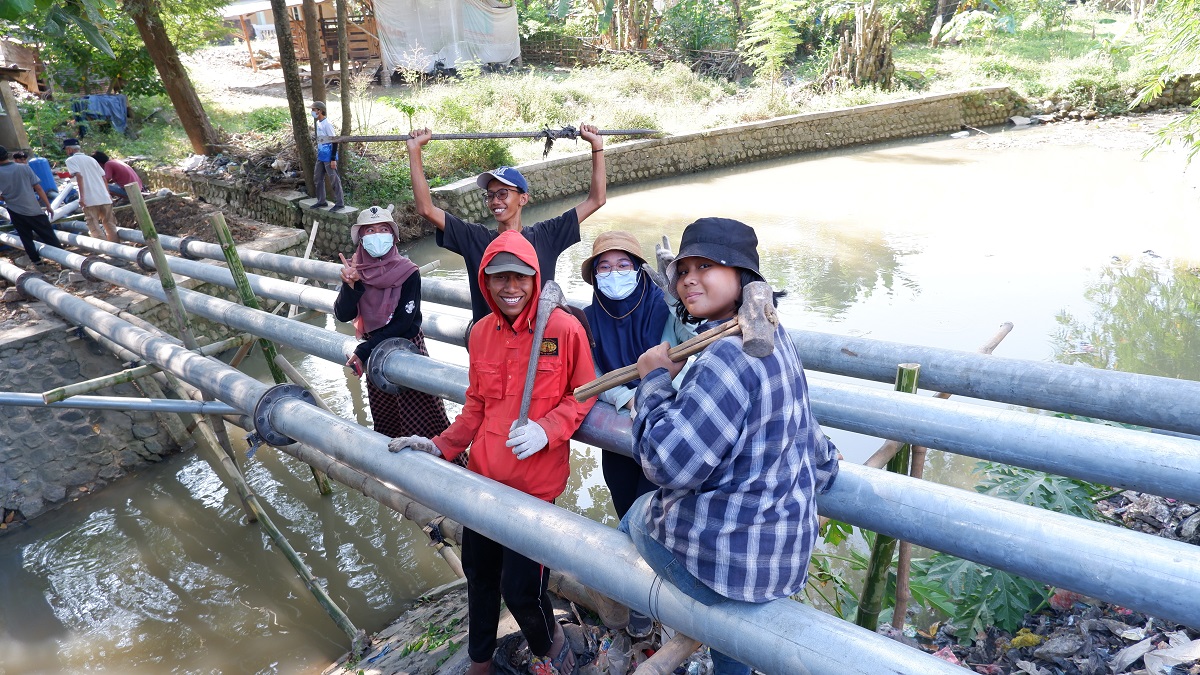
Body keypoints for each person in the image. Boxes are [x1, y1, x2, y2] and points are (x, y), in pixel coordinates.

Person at [623, 218, 840, 675]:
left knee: (636, 515)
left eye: (707, 266)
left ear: (743, 277)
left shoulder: (726, 354)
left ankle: (626, 611)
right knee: (732, 634)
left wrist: (654, 381)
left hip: (733, 567)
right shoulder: (776, 335)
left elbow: (666, 464)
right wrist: (825, 465)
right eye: (683, 271)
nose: (689, 280)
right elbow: (799, 419)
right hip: (782, 558)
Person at [388, 231, 596, 675]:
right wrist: (440, 445)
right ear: (485, 282)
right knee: (480, 579)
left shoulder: (561, 329)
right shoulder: (480, 333)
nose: (511, 288)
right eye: (499, 278)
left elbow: (584, 394)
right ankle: (480, 663)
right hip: (482, 485)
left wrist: (548, 429)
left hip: (533, 492)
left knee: (523, 590)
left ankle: (552, 653)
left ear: (535, 278)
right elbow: (476, 407)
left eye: (520, 277)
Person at [407, 124, 606, 323]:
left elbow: (596, 200)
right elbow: (426, 209)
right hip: (490, 345)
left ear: (523, 198)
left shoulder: (546, 236)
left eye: (503, 193)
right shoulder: (476, 239)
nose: (495, 201)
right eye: (490, 195)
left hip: (536, 345)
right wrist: (414, 150)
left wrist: (596, 146)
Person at [333, 205, 450, 440]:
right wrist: (350, 287)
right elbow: (343, 314)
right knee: (387, 420)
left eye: (383, 229)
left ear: (394, 237)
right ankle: (393, 469)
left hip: (406, 347)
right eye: (370, 231)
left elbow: (404, 322)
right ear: (361, 239)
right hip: (375, 352)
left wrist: (365, 349)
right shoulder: (357, 272)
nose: (377, 235)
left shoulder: (407, 272)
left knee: (424, 418)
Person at [0, 145, 64, 265]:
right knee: (49, 235)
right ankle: (64, 260)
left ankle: (36, 261)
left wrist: (7, 197)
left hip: (15, 211)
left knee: (26, 238)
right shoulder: (24, 168)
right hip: (33, 209)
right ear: (7, 155)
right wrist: (48, 205)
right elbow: (38, 187)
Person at [63, 138, 119, 243]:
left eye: (66, 150)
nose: (66, 152)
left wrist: (82, 197)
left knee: (94, 226)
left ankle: (105, 250)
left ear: (69, 149)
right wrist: (107, 194)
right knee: (110, 224)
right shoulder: (91, 159)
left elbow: (79, 176)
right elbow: (103, 178)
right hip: (104, 197)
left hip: (90, 199)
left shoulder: (70, 161)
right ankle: (117, 248)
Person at [309, 101, 343, 211]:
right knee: (317, 178)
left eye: (314, 110)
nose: (312, 112)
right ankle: (321, 201)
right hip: (321, 155)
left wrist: (333, 158)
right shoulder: (318, 123)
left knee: (334, 179)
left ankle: (340, 203)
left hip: (329, 156)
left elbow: (335, 140)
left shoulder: (327, 124)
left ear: (320, 110)